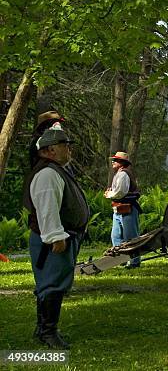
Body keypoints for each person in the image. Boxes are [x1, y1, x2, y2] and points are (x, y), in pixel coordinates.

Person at [24, 125, 89, 349]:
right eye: (64, 145)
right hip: (52, 242)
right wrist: (55, 236)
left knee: (54, 284)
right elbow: (47, 208)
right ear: (49, 151)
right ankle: (47, 332)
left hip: (62, 238)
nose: (68, 149)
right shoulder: (47, 174)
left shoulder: (56, 170)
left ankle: (43, 328)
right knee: (51, 285)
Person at [104, 151, 142, 268]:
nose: (113, 162)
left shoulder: (123, 174)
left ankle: (135, 262)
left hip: (128, 208)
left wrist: (109, 194)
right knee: (116, 236)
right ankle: (122, 259)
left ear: (121, 163)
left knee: (131, 237)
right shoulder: (119, 174)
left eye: (115, 160)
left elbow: (120, 193)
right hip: (119, 209)